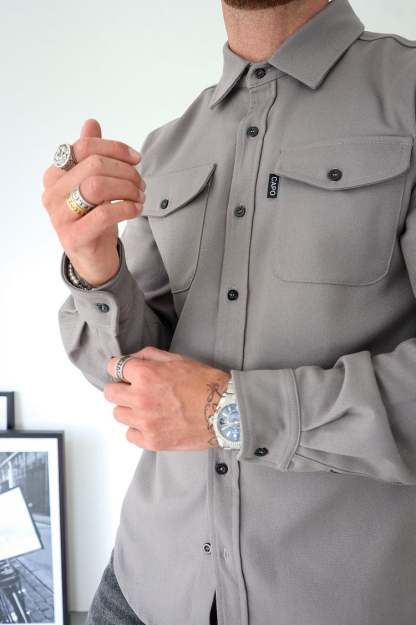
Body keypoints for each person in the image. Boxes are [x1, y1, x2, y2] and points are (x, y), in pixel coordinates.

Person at [41, 0, 416, 622]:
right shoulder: (168, 145)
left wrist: (232, 409)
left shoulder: (407, 97)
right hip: (144, 589)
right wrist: (93, 265)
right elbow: (131, 374)